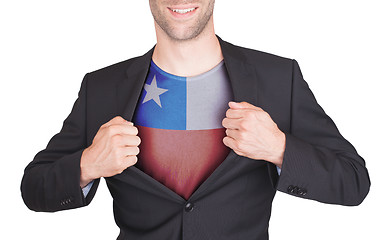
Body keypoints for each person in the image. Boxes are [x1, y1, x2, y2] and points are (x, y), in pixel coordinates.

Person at [21, 0, 370, 239]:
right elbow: (34, 188)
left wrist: (280, 149)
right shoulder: (101, 87)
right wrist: (87, 165)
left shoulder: (279, 78)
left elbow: (353, 181)